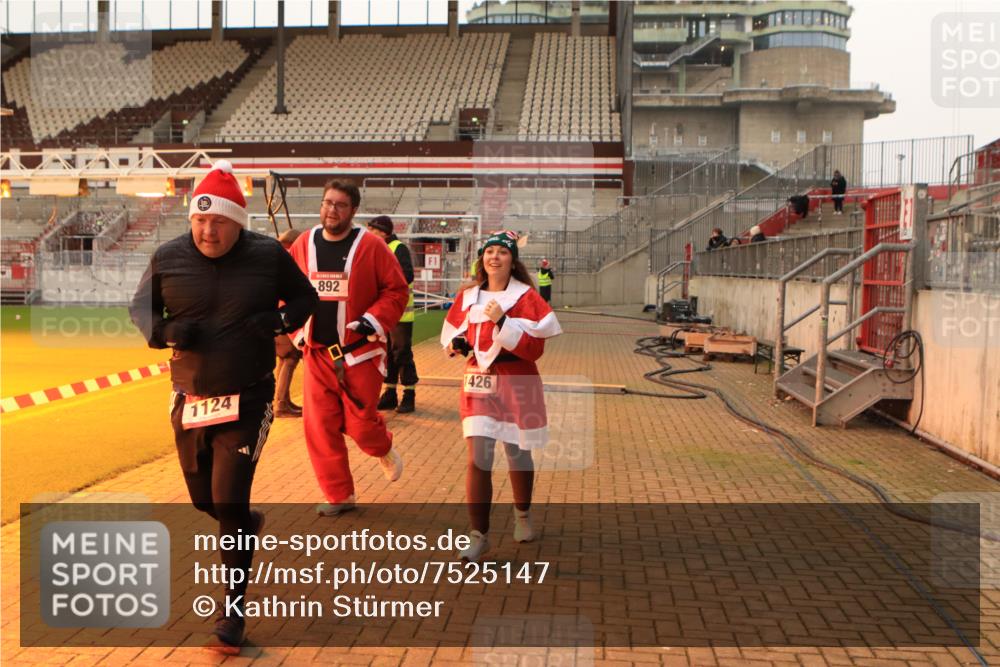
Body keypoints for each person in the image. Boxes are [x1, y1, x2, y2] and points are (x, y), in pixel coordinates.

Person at [129, 160, 319, 654]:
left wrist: (278, 321)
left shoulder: (267, 255)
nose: (208, 231)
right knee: (203, 500)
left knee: (229, 502)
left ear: (237, 222)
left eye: (218, 222)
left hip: (248, 397)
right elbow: (140, 307)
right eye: (200, 220)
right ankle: (247, 522)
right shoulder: (168, 256)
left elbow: (306, 298)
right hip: (190, 397)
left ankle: (231, 614)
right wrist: (163, 331)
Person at [287, 180, 409, 517]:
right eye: (327, 202)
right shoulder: (303, 244)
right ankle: (340, 495)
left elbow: (396, 291)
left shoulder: (372, 246)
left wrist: (373, 319)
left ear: (353, 210)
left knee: (360, 424)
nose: (332, 210)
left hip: (360, 354)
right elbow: (285, 289)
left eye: (340, 205)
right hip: (317, 354)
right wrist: (297, 332)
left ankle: (383, 447)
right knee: (319, 427)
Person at [440, 230, 562, 562]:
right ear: (482, 258)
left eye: (503, 252)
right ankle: (478, 535)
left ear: (512, 260)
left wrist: (503, 321)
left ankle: (522, 514)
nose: (495, 257)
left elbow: (534, 350)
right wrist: (458, 345)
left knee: (517, 454)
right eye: (490, 251)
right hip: (478, 381)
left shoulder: (526, 297)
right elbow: (455, 337)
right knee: (477, 458)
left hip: (517, 380)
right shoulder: (468, 296)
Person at [367, 215, 419, 414]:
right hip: (383, 313)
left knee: (401, 353)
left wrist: (382, 284)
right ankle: (389, 393)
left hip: (400, 314)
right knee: (387, 353)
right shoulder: (377, 248)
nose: (369, 233)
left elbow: (407, 276)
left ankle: (409, 394)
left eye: (372, 230)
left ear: (383, 232)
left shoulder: (398, 248)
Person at [274, 227, 304, 417]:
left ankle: (282, 400)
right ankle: (281, 404)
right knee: (290, 358)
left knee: (283, 358)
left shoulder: (274, 257)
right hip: (284, 314)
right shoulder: (291, 258)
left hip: (274, 312)